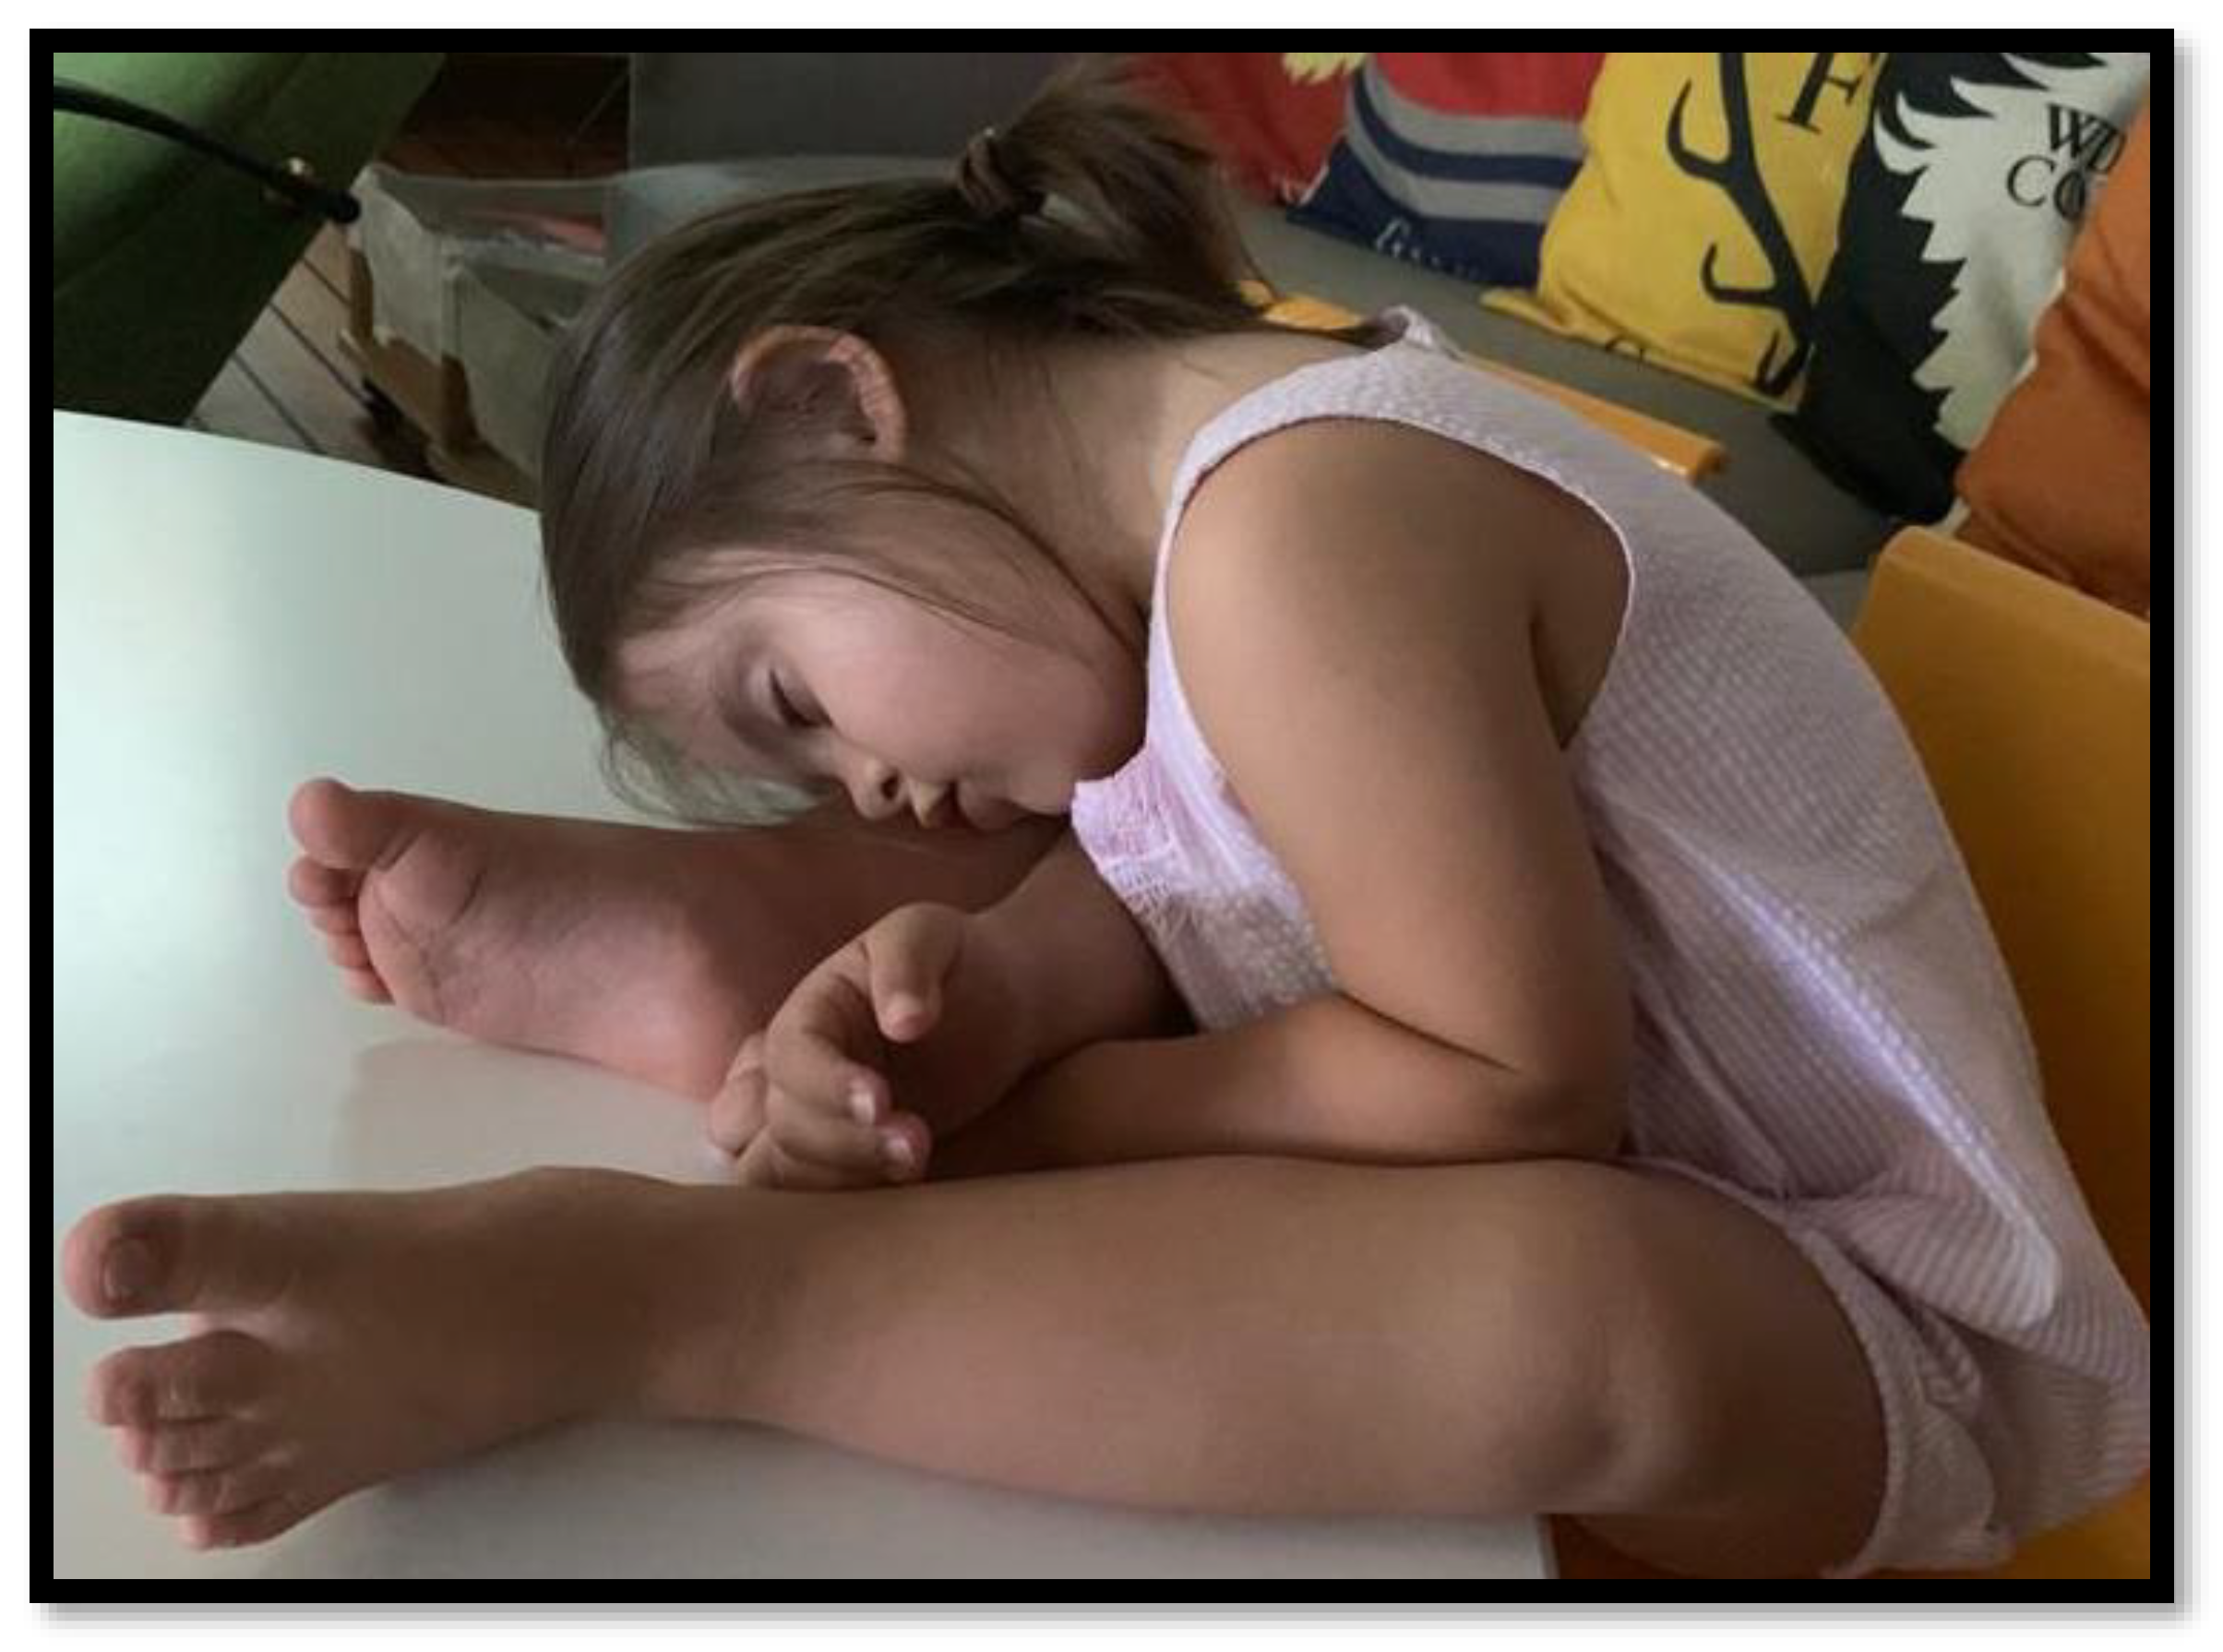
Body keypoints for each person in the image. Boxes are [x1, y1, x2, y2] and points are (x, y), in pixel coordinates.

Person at [61, 55, 2146, 1577]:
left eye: (794, 702)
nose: (871, 773)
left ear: (836, 397)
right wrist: (989, 990)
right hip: (1587, 1141)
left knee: (1595, 1316)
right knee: (1002, 861)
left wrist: (1028, 1122)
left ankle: (667, 1292)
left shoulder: (1302, 527)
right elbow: (1179, 866)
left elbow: (1508, 1085)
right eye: (807, 778)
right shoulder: (1178, 550)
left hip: (1867, 1324)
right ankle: (740, 945)